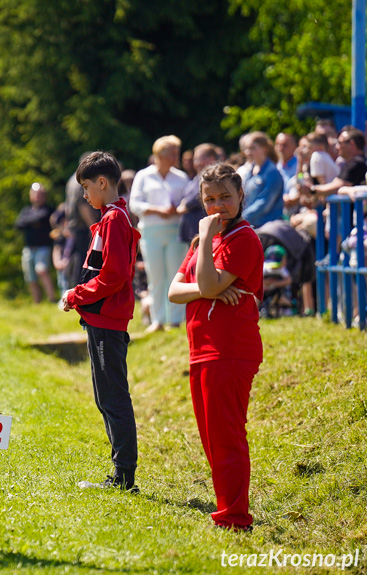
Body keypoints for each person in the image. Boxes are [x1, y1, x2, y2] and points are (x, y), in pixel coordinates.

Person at [168, 163, 264, 531]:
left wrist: (206, 241)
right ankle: (229, 508)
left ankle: (235, 516)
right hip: (201, 348)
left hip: (231, 349)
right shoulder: (199, 243)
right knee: (212, 437)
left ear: (241, 196)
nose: (218, 206)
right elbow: (175, 292)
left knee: (226, 435)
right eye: (210, 199)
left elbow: (207, 284)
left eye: (226, 197)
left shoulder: (243, 239)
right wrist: (208, 287)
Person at [61, 151, 141, 492]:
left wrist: (76, 294)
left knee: (113, 398)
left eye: (86, 187)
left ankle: (124, 478)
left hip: (108, 320)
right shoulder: (112, 216)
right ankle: (120, 474)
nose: (84, 195)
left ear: (103, 183)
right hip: (102, 319)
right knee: (105, 396)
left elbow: (112, 276)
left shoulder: (114, 220)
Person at [129, 135, 189, 331]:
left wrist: (177, 209)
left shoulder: (181, 177)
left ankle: (176, 320)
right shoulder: (143, 176)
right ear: (160, 154)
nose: (175, 157)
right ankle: (158, 319)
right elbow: (135, 204)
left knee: (175, 275)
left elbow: (189, 201)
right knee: (156, 277)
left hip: (175, 231)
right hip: (151, 232)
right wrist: (157, 210)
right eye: (172, 153)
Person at [15, 182, 57, 303]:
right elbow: (19, 224)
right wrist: (33, 222)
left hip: (43, 247)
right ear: (31, 195)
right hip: (28, 248)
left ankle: (52, 298)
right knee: (30, 278)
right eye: (35, 194)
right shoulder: (27, 210)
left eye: (40, 194)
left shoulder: (48, 210)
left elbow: (41, 218)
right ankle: (37, 302)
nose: (37, 197)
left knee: (42, 270)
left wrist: (31, 222)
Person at [178, 144, 219, 245]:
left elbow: (201, 195)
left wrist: (185, 205)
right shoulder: (197, 177)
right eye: (194, 160)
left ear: (211, 159)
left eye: (198, 159)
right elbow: (186, 195)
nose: (195, 164)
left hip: (204, 230)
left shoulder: (213, 177)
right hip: (193, 231)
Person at [242, 132, 284, 227]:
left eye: (252, 148)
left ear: (264, 149)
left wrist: (242, 218)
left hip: (267, 227)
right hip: (251, 224)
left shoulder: (272, 172)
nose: (248, 152)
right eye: (247, 149)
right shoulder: (250, 171)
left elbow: (264, 203)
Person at [311, 128, 367, 197]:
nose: (337, 147)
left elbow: (335, 187)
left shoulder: (357, 163)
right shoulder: (353, 162)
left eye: (340, 143)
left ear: (351, 143)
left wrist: (310, 190)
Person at [260, 245, 292, 317]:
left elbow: (288, 280)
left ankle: (287, 308)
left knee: (281, 297)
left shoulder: (282, 270)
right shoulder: (265, 268)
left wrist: (274, 283)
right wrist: (266, 282)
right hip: (266, 293)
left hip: (279, 293)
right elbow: (256, 281)